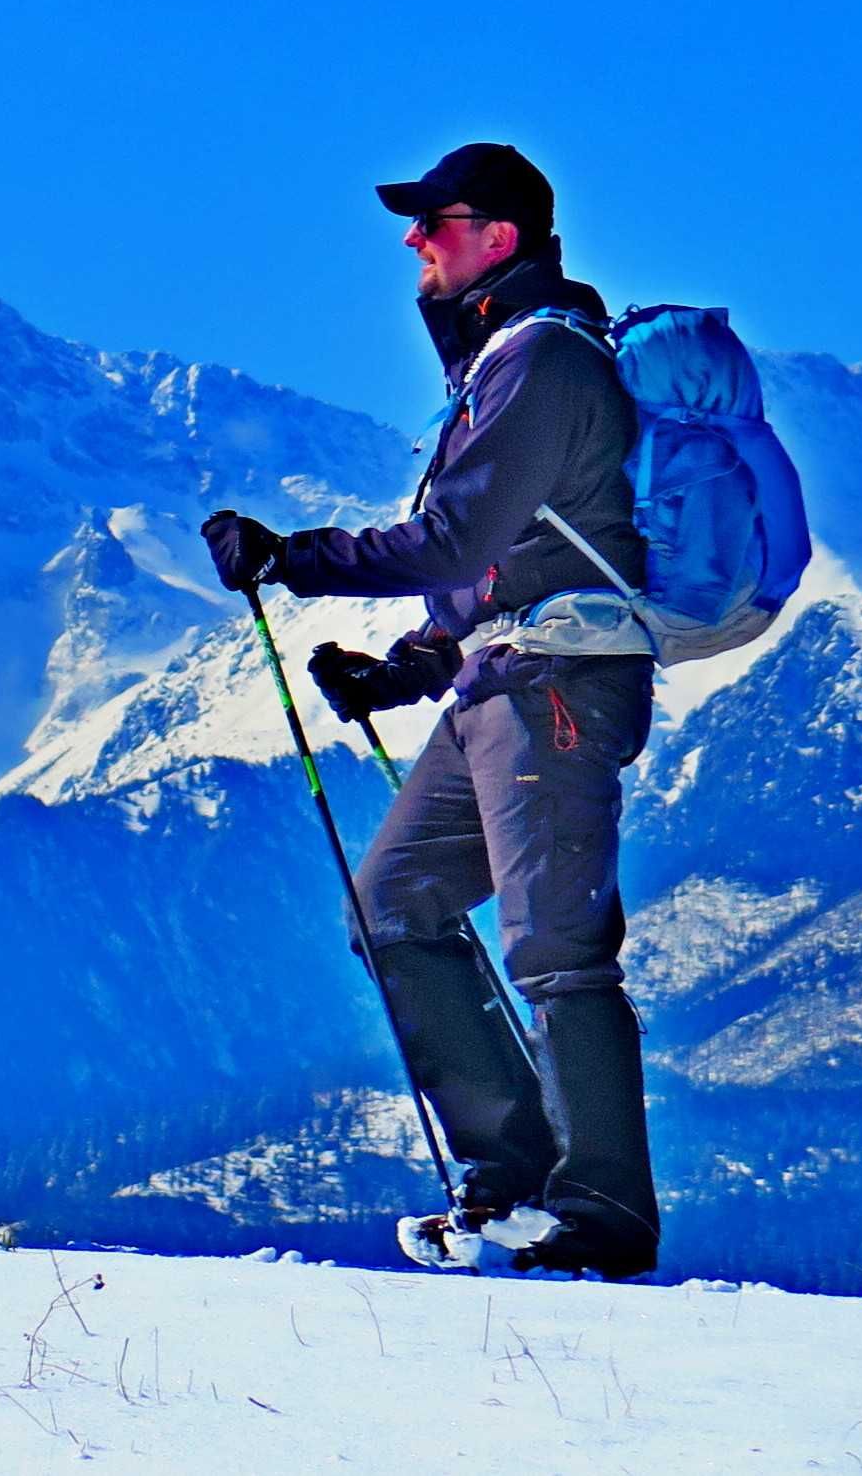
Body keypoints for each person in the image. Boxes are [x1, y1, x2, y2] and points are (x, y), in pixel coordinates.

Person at [200, 143, 658, 1277]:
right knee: (391, 908)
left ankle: (598, 1209)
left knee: (553, 941)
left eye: (433, 221)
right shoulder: (501, 361)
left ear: (496, 237)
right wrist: (401, 671)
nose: (413, 239)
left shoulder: (543, 362)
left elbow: (456, 539)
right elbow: (498, 568)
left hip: (554, 684)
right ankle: (508, 1178)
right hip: (495, 677)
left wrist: (285, 556)